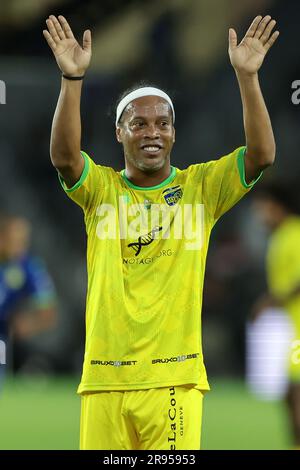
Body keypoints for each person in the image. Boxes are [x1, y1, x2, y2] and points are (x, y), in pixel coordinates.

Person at [43, 14, 279, 450]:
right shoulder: (102, 190)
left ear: (173, 133)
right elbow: (64, 157)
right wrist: (71, 79)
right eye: (139, 123)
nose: (152, 132)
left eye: (162, 124)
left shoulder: (202, 188)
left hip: (174, 379)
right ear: (119, 133)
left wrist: (248, 77)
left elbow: (262, 155)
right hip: (104, 379)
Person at [252, 183, 300, 448]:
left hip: (298, 333)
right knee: (289, 394)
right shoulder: (281, 236)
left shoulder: (294, 233)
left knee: (295, 393)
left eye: (263, 207)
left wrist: (271, 301)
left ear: (277, 205)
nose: (260, 214)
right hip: (289, 330)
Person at [0, 214, 57, 386]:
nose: (20, 247)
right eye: (15, 240)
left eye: (23, 241)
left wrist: (28, 324)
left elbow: (48, 312)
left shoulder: (29, 268)